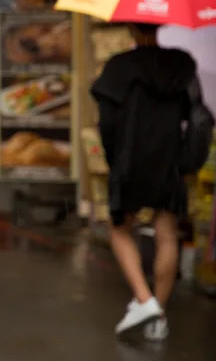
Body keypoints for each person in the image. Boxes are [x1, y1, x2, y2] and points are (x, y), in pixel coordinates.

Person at [91, 23, 200, 341]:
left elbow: (107, 123)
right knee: (167, 233)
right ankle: (159, 318)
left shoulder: (119, 67)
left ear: (130, 28)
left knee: (121, 230)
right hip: (171, 160)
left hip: (130, 160)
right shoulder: (182, 64)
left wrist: (114, 160)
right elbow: (194, 114)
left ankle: (144, 299)